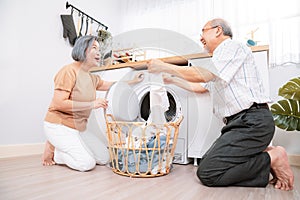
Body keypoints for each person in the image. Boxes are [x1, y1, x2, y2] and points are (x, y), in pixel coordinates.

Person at [147, 18, 294, 190]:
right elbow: (202, 87)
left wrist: (165, 66)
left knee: (209, 173)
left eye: (203, 31)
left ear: (218, 30)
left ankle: (273, 157)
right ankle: (267, 156)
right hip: (239, 124)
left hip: (251, 122)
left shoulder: (230, 47)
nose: (200, 37)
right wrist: (171, 80)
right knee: (210, 161)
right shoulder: (221, 60)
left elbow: (204, 75)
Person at [42, 35, 143, 172]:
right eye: (94, 48)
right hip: (59, 125)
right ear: (83, 50)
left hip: (78, 129)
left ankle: (64, 147)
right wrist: (91, 104)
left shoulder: (91, 77)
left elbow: (111, 85)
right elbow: (59, 103)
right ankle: (58, 154)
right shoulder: (68, 71)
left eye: (99, 49)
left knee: (104, 158)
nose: (99, 53)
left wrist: (133, 81)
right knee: (86, 164)